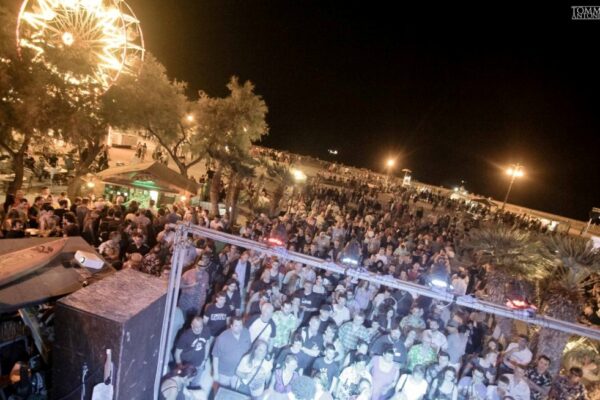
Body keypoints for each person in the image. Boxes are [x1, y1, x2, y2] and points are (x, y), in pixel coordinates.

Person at [212, 316, 252, 389]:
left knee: (234, 390)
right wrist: (215, 373)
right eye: (236, 326)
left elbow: (249, 349)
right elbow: (215, 356)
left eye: (240, 325)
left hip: (239, 371)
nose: (239, 328)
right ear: (231, 326)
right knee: (223, 390)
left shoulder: (246, 332)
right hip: (224, 373)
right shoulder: (222, 338)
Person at [173, 317, 211, 388]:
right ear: (192, 325)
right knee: (183, 384)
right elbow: (177, 353)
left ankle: (193, 388)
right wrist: (180, 367)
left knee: (196, 381)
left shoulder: (206, 330)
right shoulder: (185, 336)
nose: (198, 329)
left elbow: (207, 343)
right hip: (187, 365)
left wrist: (205, 359)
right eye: (196, 327)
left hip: (200, 363)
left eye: (200, 327)